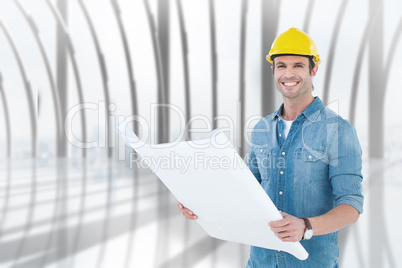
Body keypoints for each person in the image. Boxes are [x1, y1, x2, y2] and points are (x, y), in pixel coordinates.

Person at [177, 27, 364, 267]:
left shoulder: (338, 130)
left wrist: (306, 226)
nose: (289, 73)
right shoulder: (261, 130)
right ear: (273, 70)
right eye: (282, 65)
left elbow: (351, 206)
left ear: (313, 70)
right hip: (260, 261)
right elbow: (246, 192)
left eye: (298, 65)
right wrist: (201, 204)